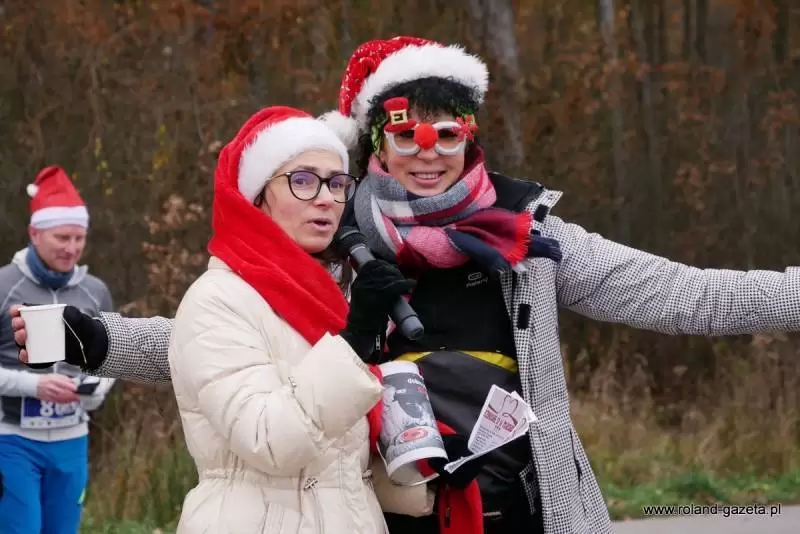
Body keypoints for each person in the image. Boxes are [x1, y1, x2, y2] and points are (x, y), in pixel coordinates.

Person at [11, 36, 800, 534]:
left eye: (447, 132)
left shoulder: (529, 238)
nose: (429, 152)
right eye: (406, 132)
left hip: (524, 511)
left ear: (470, 138)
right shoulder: (332, 243)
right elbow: (219, 339)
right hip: (388, 513)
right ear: (376, 144)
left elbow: (692, 296)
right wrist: (85, 339)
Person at [165, 105, 419, 533]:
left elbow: (338, 468)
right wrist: (355, 342)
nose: (326, 197)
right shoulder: (217, 300)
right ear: (257, 198)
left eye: (337, 183)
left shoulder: (332, 299)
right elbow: (270, 442)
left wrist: (429, 471)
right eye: (302, 180)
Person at [0, 166, 116, 534]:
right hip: (11, 439)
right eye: (62, 237)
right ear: (34, 233)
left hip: (71, 438)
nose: (72, 248)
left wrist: (95, 391)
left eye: (79, 238)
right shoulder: (4, 286)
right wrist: (34, 386)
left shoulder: (94, 291)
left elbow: (114, 357)